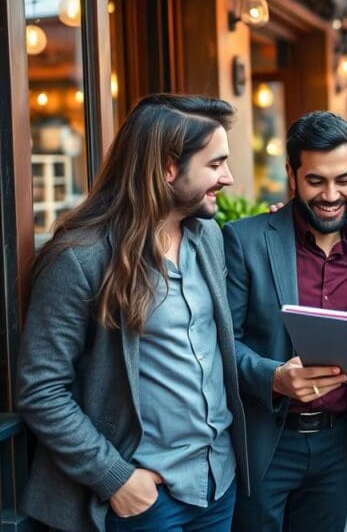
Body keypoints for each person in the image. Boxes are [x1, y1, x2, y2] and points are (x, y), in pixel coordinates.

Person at [15, 94, 249, 532]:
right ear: (167, 168)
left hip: (217, 485)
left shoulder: (209, 237)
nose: (229, 178)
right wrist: (116, 478)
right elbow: (41, 389)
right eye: (215, 165)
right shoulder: (80, 259)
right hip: (141, 501)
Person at [223, 111, 347, 531]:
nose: (331, 194)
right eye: (315, 181)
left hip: (338, 447)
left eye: (343, 179)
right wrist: (273, 377)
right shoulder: (243, 240)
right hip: (267, 444)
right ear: (291, 174)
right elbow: (222, 343)